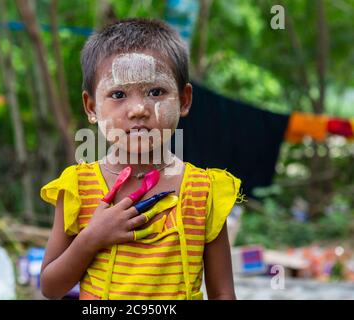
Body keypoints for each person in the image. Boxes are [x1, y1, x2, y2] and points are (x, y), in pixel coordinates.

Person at [39, 18, 243, 300]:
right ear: (91, 107)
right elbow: (51, 287)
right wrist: (91, 237)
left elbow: (223, 294)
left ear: (184, 100)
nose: (137, 109)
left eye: (156, 92)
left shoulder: (205, 190)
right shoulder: (77, 187)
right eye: (118, 94)